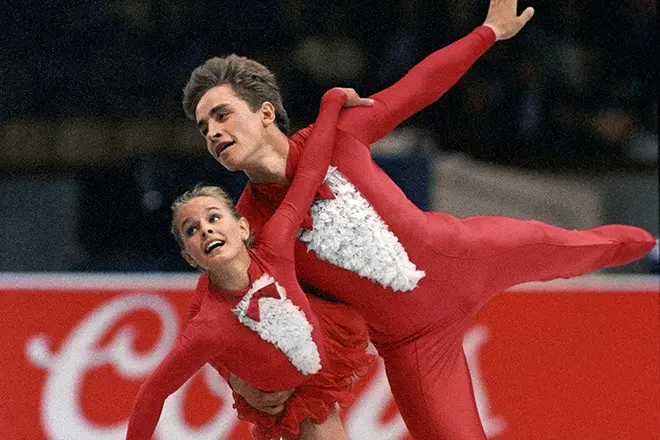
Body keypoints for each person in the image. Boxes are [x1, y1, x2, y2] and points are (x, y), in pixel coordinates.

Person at [181, 1, 657, 438]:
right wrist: (239, 379)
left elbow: (420, 86)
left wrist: (488, 31)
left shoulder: (341, 130)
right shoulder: (243, 228)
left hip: (467, 253)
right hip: (416, 346)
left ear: (265, 112)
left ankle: (653, 243)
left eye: (221, 114)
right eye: (204, 128)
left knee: (593, 246)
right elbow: (226, 308)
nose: (214, 133)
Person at [126, 88, 375, 440]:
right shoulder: (208, 322)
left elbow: (310, 172)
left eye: (213, 218)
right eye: (192, 230)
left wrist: (331, 102)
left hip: (321, 351)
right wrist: (236, 378)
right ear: (189, 256)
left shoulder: (274, 245)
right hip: (271, 391)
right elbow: (153, 393)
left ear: (242, 226)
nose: (206, 230)